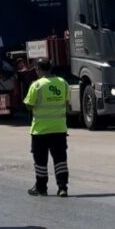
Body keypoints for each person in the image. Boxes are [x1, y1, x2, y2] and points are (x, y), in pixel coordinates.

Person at [25, 59, 71, 197]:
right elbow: (67, 104)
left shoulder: (37, 85)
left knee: (40, 161)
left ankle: (41, 188)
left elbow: (29, 105)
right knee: (60, 160)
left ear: (38, 69)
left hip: (40, 131)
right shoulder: (63, 83)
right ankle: (62, 187)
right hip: (59, 130)